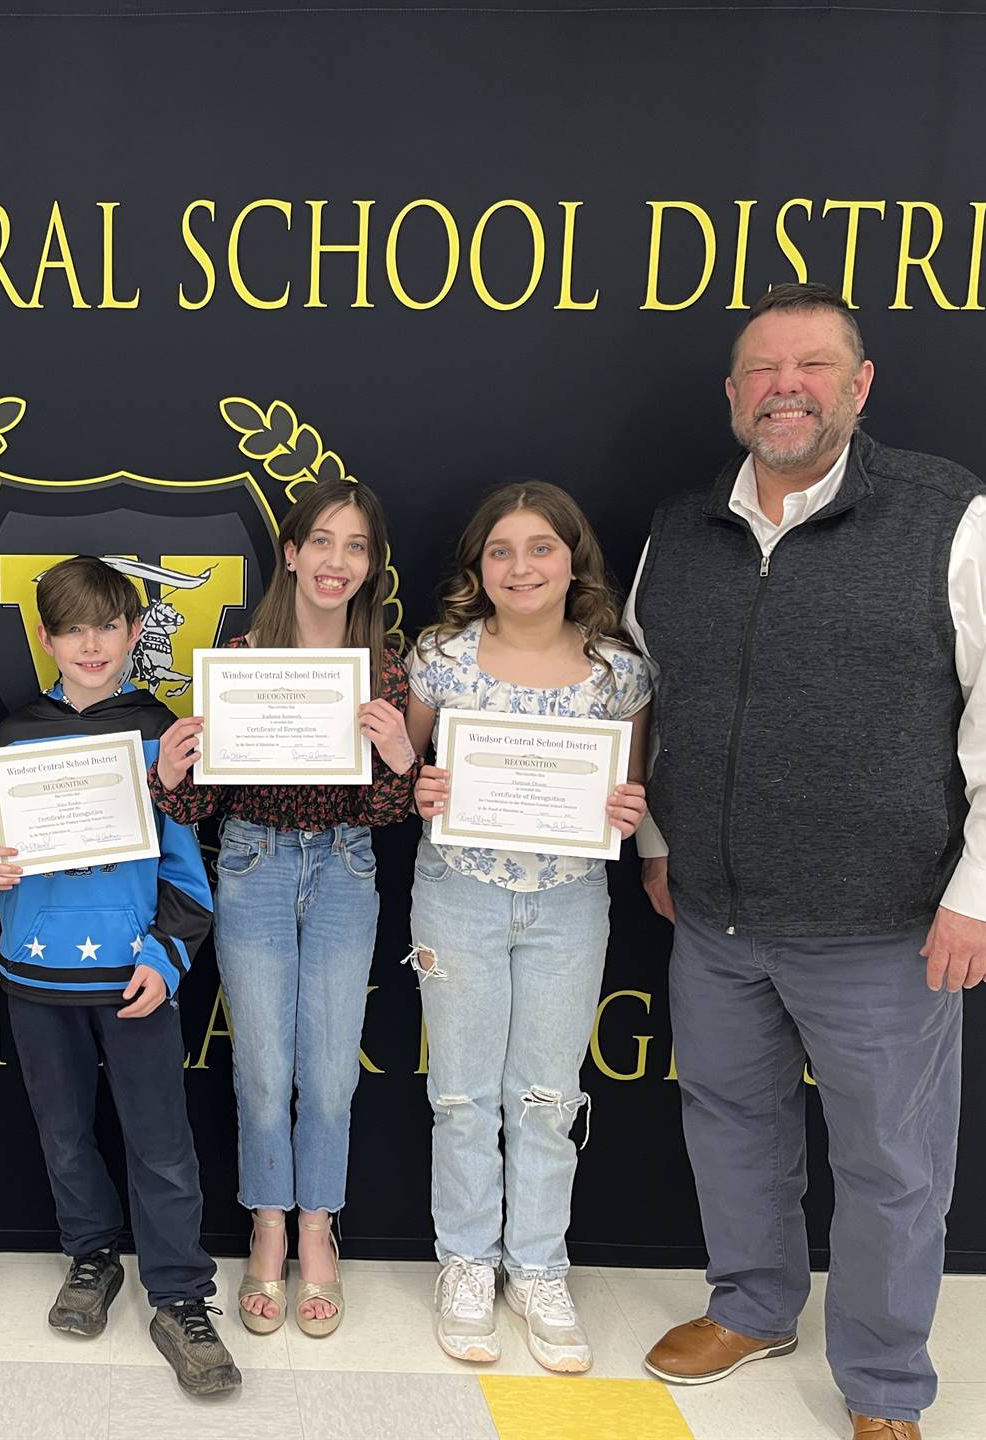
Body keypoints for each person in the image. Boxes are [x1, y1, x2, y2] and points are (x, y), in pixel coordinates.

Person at [628, 282, 986, 1440]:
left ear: (858, 386)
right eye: (763, 371)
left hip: (884, 923)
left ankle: (881, 1387)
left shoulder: (951, 518)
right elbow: (647, 699)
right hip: (714, 917)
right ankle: (757, 1305)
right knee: (731, 1123)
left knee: (891, 1167)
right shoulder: (680, 531)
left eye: (813, 366)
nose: (787, 388)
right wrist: (662, 842)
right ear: (732, 396)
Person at [0, 556, 236, 1394]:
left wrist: (164, 955)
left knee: (161, 1144)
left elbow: (190, 877)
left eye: (107, 626)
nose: (90, 643)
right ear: (44, 637)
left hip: (133, 977)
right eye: (72, 628)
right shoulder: (11, 735)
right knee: (64, 1132)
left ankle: (181, 1295)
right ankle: (89, 1259)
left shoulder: (161, 735)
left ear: (135, 633)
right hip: (37, 974)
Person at [150, 477, 419, 1338]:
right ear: (293, 553)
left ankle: (318, 1230)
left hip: (344, 868)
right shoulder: (237, 653)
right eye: (324, 542)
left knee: (332, 1074)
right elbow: (201, 809)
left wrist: (398, 759)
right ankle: (268, 1227)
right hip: (254, 862)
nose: (338, 561)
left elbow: (391, 815)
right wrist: (173, 774)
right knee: (263, 1070)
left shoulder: (386, 665)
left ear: (370, 566)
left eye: (357, 546)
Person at [403, 482, 651, 1372]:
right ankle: (466, 1261)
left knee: (547, 1098)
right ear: (478, 566)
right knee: (462, 1095)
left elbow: (629, 785)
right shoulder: (440, 657)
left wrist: (628, 806)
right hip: (458, 892)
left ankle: (539, 1265)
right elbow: (407, 769)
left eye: (540, 547)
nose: (521, 567)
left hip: (569, 901)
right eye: (500, 550)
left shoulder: (619, 670)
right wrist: (422, 786)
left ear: (572, 556)